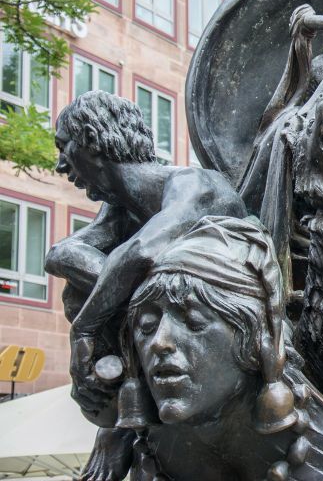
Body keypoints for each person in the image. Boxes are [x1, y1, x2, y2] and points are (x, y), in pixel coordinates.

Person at [44, 91, 247, 481]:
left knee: (121, 278)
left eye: (64, 147)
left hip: (222, 333)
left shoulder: (194, 183)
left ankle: (120, 417)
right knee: (82, 283)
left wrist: (85, 329)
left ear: (91, 139)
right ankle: (122, 403)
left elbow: (142, 254)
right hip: (173, 333)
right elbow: (61, 254)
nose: (60, 164)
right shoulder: (120, 212)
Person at [122, 216, 303, 480]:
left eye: (193, 322)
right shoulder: (151, 454)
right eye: (147, 326)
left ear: (254, 340)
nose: (159, 342)